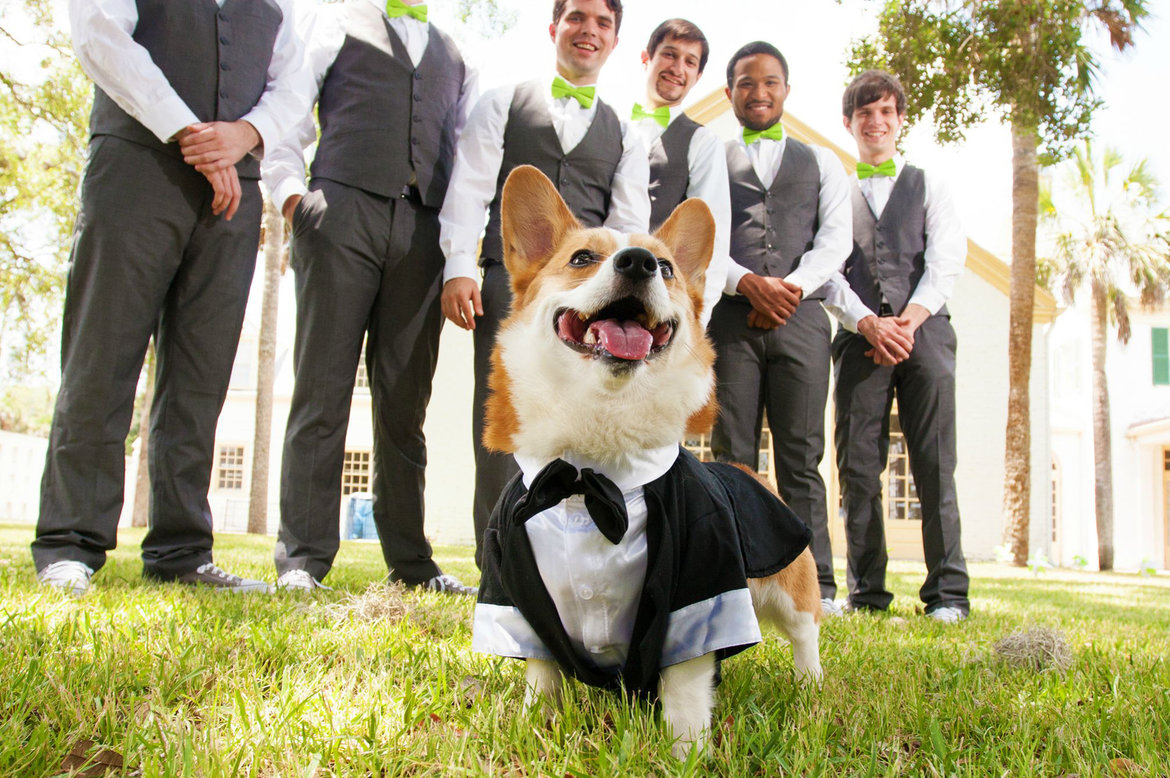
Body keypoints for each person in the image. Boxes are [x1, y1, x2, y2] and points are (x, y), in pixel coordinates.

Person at [33, 0, 310, 595]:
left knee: (200, 380)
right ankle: (70, 543)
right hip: (134, 168)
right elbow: (98, 34)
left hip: (235, 193)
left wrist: (243, 134)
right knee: (101, 360)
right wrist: (188, 132)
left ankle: (181, 552)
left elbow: (292, 83)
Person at [260, 0, 478, 594]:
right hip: (341, 213)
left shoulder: (456, 53)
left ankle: (411, 564)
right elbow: (287, 119)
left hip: (423, 232)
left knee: (405, 406)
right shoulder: (333, 24)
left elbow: (467, 160)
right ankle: (303, 560)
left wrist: (456, 248)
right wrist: (291, 199)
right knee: (322, 390)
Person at [438, 0, 650, 566]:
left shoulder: (626, 131)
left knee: (584, 424)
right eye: (577, 17)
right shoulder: (501, 102)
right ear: (554, 27)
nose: (589, 30)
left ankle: (576, 562)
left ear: (614, 41)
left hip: (592, 297)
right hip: (510, 286)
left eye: (603, 23)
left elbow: (630, 221)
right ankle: (499, 563)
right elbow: (470, 186)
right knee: (506, 418)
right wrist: (460, 265)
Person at [823, 69, 970, 622]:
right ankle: (867, 595)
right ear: (849, 122)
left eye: (885, 111)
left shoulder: (929, 184)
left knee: (934, 462)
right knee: (858, 467)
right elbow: (828, 270)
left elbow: (945, 260)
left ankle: (947, 595)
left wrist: (904, 323)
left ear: (899, 119)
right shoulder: (835, 190)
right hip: (858, 337)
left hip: (925, 332)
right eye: (865, 113)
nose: (875, 122)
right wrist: (868, 323)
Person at [710, 41, 852, 613]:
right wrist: (748, 283)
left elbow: (835, 240)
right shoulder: (710, 157)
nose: (759, 92)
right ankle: (731, 579)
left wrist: (787, 288)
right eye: (746, 82)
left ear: (786, 91)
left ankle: (817, 587)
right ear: (730, 93)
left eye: (770, 82)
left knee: (802, 457)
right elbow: (704, 236)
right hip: (730, 319)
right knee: (732, 454)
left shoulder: (822, 162)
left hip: (803, 323)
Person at [629, 18, 728, 327]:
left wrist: (697, 318)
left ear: (697, 76)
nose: (677, 68)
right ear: (646, 57)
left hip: (661, 299)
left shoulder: (703, 141)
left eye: (690, 62)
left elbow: (713, 240)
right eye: (670, 54)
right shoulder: (613, 128)